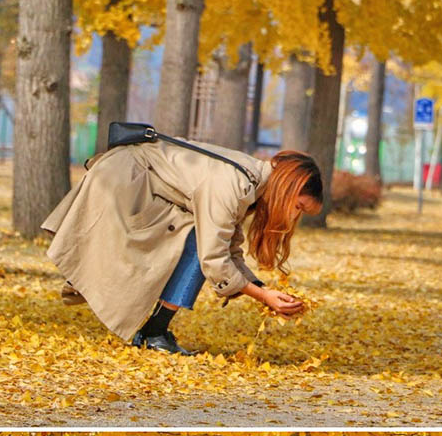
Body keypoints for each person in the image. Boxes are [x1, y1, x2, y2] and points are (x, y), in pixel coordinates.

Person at [42, 135, 323, 355]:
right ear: (288, 188)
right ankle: (154, 332)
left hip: (134, 179)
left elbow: (229, 248)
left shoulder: (252, 183)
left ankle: (151, 327)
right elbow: (214, 257)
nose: (294, 216)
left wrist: (262, 290)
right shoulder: (233, 186)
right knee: (196, 243)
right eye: (298, 206)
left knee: (196, 239)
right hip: (125, 180)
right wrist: (263, 297)